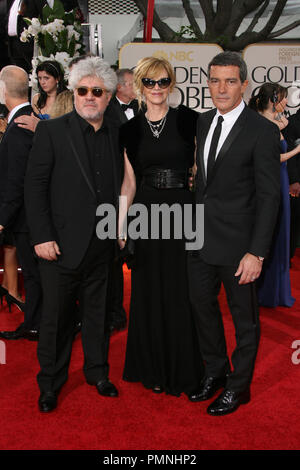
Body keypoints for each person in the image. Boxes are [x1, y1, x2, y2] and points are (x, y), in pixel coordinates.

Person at [24, 56, 122, 413]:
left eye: (98, 91)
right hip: (59, 246)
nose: (90, 97)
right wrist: (42, 236)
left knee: (98, 316)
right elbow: (34, 189)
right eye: (83, 90)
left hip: (101, 246)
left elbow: (118, 186)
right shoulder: (52, 131)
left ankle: (98, 372)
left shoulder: (114, 135)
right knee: (55, 320)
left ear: (109, 96)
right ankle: (50, 383)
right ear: (74, 93)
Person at [187, 51, 281, 416]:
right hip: (199, 237)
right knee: (201, 308)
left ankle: (239, 388)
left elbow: (270, 197)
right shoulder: (204, 121)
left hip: (241, 246)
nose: (221, 88)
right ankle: (216, 372)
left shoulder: (263, 131)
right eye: (215, 80)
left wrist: (256, 253)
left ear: (244, 83)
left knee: (245, 321)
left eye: (229, 80)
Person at [119, 56, 203, 397]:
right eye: (150, 82)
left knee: (183, 291)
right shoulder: (128, 129)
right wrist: (121, 227)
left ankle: (183, 368)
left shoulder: (189, 121)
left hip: (182, 212)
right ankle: (152, 367)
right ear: (140, 85)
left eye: (163, 81)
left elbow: (203, 169)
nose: (156, 88)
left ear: (172, 84)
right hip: (146, 215)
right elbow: (128, 183)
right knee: (148, 292)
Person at [0, 65, 42, 340]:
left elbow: (15, 182)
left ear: (3, 90)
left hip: (28, 218)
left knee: (35, 275)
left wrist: (2, 220)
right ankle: (37, 322)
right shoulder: (30, 119)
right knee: (36, 274)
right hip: (31, 216)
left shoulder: (19, 127)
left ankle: (36, 324)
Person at [249, 83, 300, 307]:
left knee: (281, 233)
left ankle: (276, 290)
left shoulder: (275, 121)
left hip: (281, 180)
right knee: (274, 233)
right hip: (273, 182)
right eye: (284, 98)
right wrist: (298, 150)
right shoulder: (263, 124)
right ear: (274, 100)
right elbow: (274, 158)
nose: (287, 102)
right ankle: (268, 291)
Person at [105, 68, 139, 333]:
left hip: (143, 191)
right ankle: (114, 311)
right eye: (134, 83)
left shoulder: (140, 108)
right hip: (115, 188)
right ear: (121, 87)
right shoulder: (107, 112)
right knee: (113, 259)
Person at [283, 108, 300, 261]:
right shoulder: (293, 123)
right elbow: (290, 156)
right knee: (293, 223)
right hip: (297, 183)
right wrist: (294, 180)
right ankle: (287, 258)